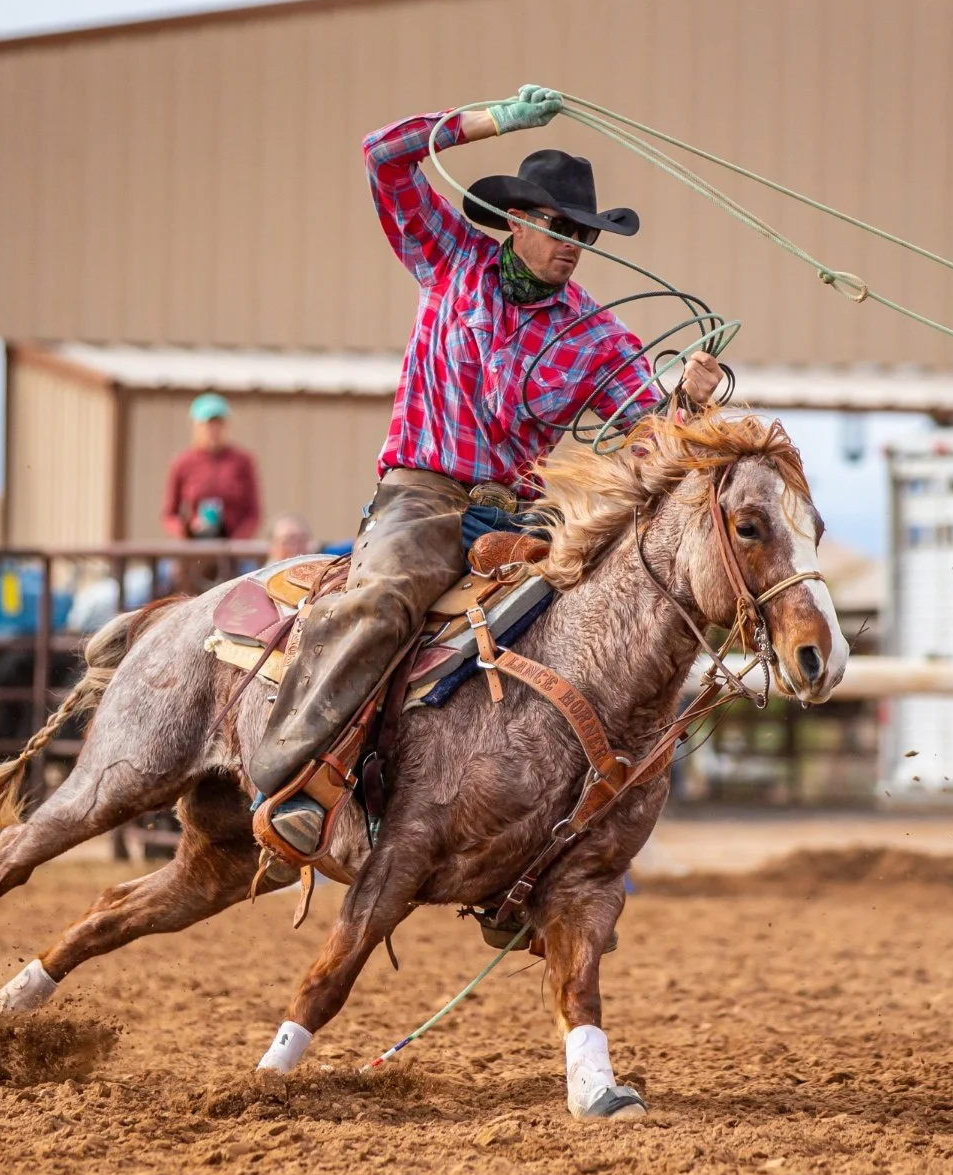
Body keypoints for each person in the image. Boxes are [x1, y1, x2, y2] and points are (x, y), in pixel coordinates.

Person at [247, 85, 723, 855]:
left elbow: (650, 442)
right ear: (519, 220)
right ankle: (298, 775)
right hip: (423, 494)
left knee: (585, 640)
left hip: (522, 515)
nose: (573, 243)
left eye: (584, 232)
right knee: (387, 598)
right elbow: (384, 158)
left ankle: (531, 842)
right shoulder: (448, 257)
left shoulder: (597, 333)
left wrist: (686, 404)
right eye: (561, 226)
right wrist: (490, 122)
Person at [161, 392, 261, 591]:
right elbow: (169, 515)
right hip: (194, 554)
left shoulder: (242, 461)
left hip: (232, 554)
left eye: (218, 423)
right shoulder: (183, 463)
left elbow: (253, 512)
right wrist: (188, 531)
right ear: (196, 426)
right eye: (207, 424)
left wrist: (236, 544)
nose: (213, 430)